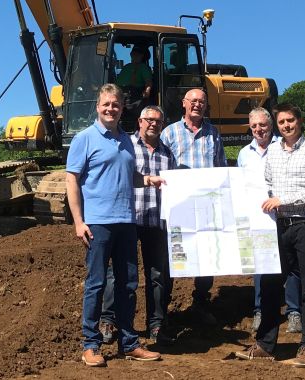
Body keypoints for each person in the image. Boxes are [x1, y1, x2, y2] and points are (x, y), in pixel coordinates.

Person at [66, 84, 163, 367]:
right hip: (98, 224)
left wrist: (147, 180)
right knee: (96, 284)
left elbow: (128, 175)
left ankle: (129, 343)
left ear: (122, 108)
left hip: (126, 222)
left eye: (116, 105)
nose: (111, 109)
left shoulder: (125, 141)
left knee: (128, 285)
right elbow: (72, 180)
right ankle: (91, 344)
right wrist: (78, 221)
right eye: (106, 104)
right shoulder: (84, 139)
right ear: (97, 107)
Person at [235, 103, 305, 368]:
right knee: (269, 285)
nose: (286, 125)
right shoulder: (273, 152)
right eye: (282, 122)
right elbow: (265, 187)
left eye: (290, 121)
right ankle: (265, 344)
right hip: (278, 226)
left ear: (299, 121)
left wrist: (281, 200)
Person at [98, 105, 177, 344]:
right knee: (119, 273)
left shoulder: (167, 153)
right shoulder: (125, 145)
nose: (153, 124)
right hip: (128, 220)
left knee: (157, 275)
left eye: (158, 121)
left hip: (156, 222)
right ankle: (109, 320)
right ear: (140, 122)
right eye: (149, 120)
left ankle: (156, 325)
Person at [160, 88, 226, 325]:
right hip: (179, 207)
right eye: (193, 101)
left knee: (206, 255)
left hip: (206, 206)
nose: (197, 105)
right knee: (173, 255)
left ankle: (201, 301)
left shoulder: (213, 133)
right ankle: (164, 311)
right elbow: (162, 167)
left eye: (202, 101)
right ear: (184, 104)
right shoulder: (169, 133)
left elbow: (220, 166)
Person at [237, 107, 302, 334]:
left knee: (291, 263)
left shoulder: (283, 146)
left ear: (271, 125)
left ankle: (294, 312)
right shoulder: (244, 154)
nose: (258, 130)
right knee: (260, 265)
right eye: (254, 126)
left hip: (284, 215)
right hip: (257, 218)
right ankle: (260, 311)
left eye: (262, 125)